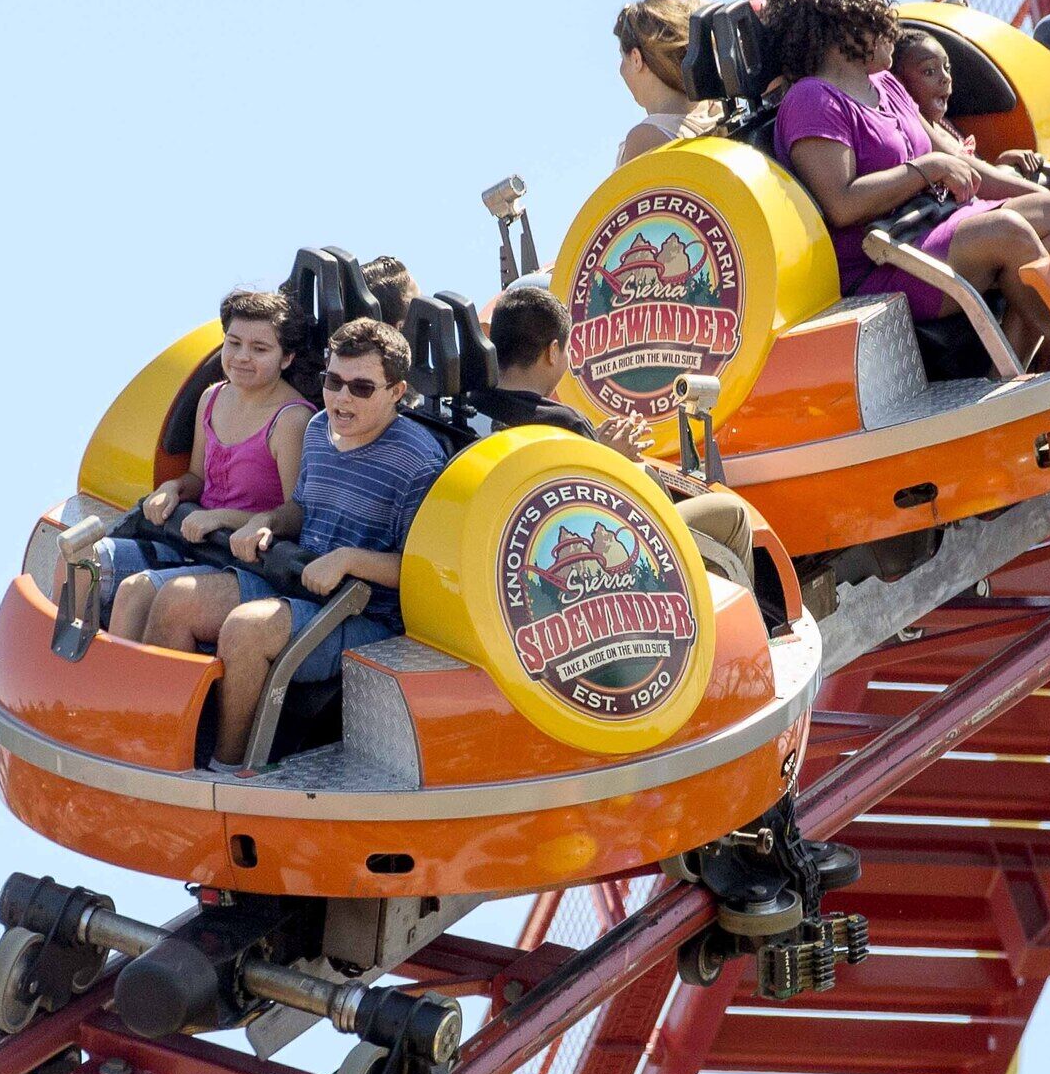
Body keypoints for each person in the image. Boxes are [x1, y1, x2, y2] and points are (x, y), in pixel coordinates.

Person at [137, 318, 449, 762]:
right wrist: (268, 521)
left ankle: (226, 768)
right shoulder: (320, 429)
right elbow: (299, 508)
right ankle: (162, 750)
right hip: (295, 578)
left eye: (361, 388)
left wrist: (346, 560)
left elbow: (421, 574)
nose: (342, 398)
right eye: (334, 381)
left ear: (396, 392)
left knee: (248, 629)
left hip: (363, 615)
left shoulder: (418, 462)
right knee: (175, 600)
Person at [762, 0, 1050, 367]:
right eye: (876, 19)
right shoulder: (812, 99)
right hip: (885, 254)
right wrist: (926, 170)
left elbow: (961, 163)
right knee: (1008, 232)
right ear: (845, 27)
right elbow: (842, 204)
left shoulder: (885, 84)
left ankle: (1010, 373)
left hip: (939, 222)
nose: (891, 32)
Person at [470, 283, 760, 574]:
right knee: (733, 515)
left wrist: (598, 447)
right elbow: (592, 497)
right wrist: (610, 456)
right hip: (596, 550)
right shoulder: (563, 423)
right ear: (553, 352)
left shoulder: (469, 410)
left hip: (508, 551)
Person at [105, 289, 309, 643]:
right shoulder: (211, 397)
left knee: (139, 590)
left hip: (246, 560)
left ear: (286, 358)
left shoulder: (292, 420)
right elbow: (198, 478)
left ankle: (151, 694)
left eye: (260, 349)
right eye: (234, 343)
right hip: (193, 540)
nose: (243, 357)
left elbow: (293, 516)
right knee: (86, 564)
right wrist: (173, 489)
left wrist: (221, 518)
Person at [613, 0, 731, 165]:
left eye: (623, 58)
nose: (621, 70)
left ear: (637, 59)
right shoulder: (719, 114)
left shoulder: (646, 138)